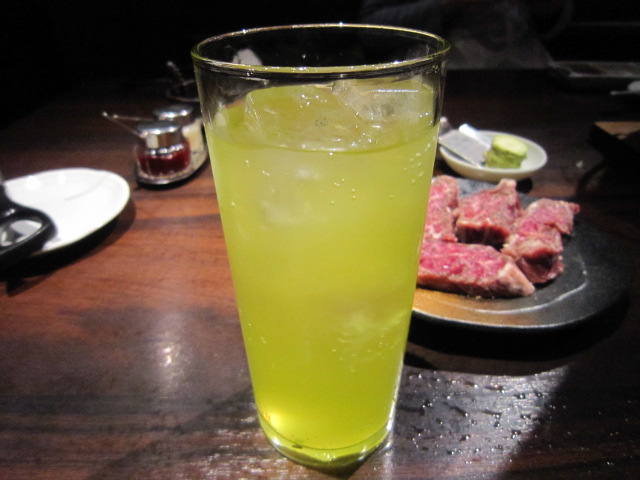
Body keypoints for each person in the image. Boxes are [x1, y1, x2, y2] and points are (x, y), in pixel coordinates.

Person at [359, 0, 572, 69]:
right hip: (441, 84)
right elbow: (371, 31)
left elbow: (554, 24)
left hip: (530, 80)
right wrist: (448, 4)